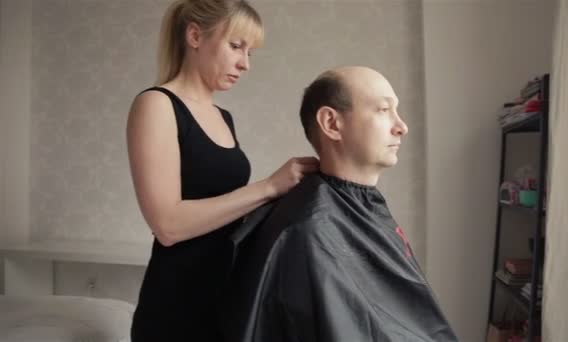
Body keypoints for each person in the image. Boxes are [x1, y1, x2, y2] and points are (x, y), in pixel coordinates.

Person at [220, 66, 458, 342]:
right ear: (332, 124)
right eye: (383, 110)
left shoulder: (358, 204)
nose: (401, 126)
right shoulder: (307, 229)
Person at [126, 0, 318, 340]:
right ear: (195, 36)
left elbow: (230, 215)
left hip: (226, 298)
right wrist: (270, 186)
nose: (245, 64)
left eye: (251, 52)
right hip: (176, 307)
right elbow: (168, 225)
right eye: (236, 46)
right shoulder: (156, 105)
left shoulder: (222, 117)